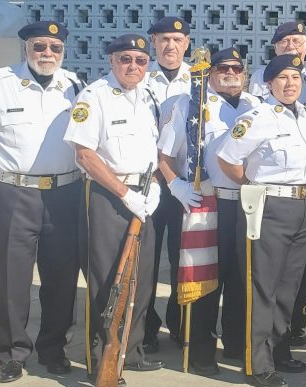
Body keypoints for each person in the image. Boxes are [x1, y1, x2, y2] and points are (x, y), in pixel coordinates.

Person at [0, 21, 85, 383]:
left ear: (63, 51)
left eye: (55, 48)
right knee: (12, 280)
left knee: (61, 278)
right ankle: (11, 353)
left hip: (65, 193)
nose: (47, 54)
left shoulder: (75, 85)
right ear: (26, 48)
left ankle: (54, 348)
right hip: (13, 193)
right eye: (40, 46)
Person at [63, 34, 164, 386]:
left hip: (143, 193)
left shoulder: (148, 97)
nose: (133, 66)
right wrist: (125, 192)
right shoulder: (94, 97)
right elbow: (85, 154)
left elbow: (151, 148)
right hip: (108, 196)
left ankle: (130, 352)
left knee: (141, 278)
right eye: (125, 59)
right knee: (108, 281)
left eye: (140, 60)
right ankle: (99, 357)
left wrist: (151, 186)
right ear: (112, 61)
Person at [218, 54, 306, 387]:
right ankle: (256, 363)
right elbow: (228, 159)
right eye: (283, 78)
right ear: (269, 83)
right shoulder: (258, 117)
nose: (290, 84)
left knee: (287, 287)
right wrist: (251, 184)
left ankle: (279, 351)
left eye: (296, 77)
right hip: (269, 206)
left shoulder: (305, 116)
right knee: (261, 286)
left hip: (303, 205)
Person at [157, 47, 260, 373]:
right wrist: (176, 185)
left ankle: (234, 345)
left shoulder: (255, 107)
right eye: (223, 68)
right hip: (204, 202)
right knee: (203, 280)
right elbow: (164, 156)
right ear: (210, 72)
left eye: (237, 68)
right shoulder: (190, 104)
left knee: (240, 278)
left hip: (244, 202)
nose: (231, 73)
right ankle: (200, 350)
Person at [250, 21, 306, 347]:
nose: (292, 46)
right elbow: (234, 154)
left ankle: (291, 329)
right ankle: (260, 354)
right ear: (275, 48)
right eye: (285, 42)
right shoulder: (258, 86)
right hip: (273, 196)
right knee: (267, 279)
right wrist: (254, 184)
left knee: (296, 271)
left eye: (298, 40)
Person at [142, 16, 192, 354]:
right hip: (147, 184)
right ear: (153, 42)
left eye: (176, 39)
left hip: (183, 184)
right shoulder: (138, 78)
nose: (170, 46)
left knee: (183, 257)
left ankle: (181, 323)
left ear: (187, 43)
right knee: (146, 259)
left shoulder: (201, 79)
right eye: (163, 39)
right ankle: (144, 328)